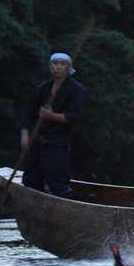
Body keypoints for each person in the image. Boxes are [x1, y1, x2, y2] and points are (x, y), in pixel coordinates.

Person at [19, 52, 87, 198]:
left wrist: (52, 116)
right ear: (51, 67)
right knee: (30, 181)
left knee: (58, 183)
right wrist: (24, 135)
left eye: (63, 64)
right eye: (55, 64)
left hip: (57, 143)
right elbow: (28, 113)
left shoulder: (76, 90)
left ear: (69, 68)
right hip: (36, 143)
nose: (58, 67)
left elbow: (74, 117)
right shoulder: (43, 88)